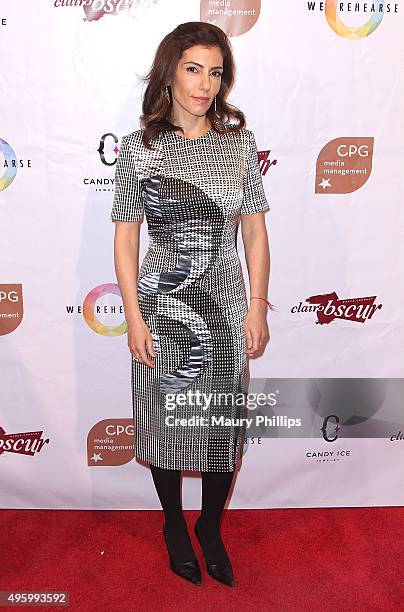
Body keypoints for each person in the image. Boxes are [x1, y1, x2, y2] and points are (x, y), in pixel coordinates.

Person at [111, 21, 273, 588]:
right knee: (166, 424)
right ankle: (175, 525)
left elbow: (253, 233)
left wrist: (256, 305)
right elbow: (127, 239)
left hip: (226, 308)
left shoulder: (237, 144)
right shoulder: (140, 148)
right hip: (163, 306)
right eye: (193, 69)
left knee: (220, 426)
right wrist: (133, 317)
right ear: (170, 72)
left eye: (216, 72)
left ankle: (209, 526)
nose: (205, 84)